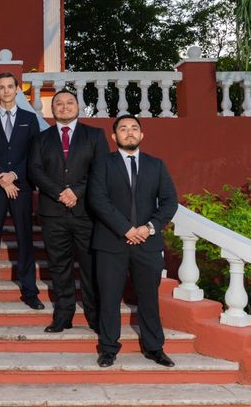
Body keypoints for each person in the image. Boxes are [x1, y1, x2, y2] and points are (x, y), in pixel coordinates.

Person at [88, 114, 178, 368]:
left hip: (147, 243)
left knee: (149, 297)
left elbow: (170, 201)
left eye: (134, 128)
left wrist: (148, 228)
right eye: (123, 129)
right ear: (114, 136)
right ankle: (108, 348)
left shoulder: (156, 165)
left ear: (142, 135)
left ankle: (154, 348)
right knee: (109, 298)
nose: (129, 132)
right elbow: (97, 199)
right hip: (110, 242)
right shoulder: (103, 164)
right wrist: (126, 229)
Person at [27, 90, 109, 333]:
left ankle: (95, 315)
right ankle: (64, 315)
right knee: (59, 266)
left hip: (85, 212)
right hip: (53, 212)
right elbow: (35, 170)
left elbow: (101, 169)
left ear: (78, 107)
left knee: (90, 265)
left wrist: (76, 191)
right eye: (59, 104)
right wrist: (59, 193)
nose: (64, 107)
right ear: (52, 110)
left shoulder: (94, 135)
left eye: (69, 103)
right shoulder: (41, 139)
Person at [0, 72, 43, 310]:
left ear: (17, 89)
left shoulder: (30, 118)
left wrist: (14, 175)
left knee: (25, 239)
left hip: (21, 187)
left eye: (9, 86)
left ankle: (29, 291)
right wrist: (2, 178)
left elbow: (34, 153)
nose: (5, 90)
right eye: (1, 87)